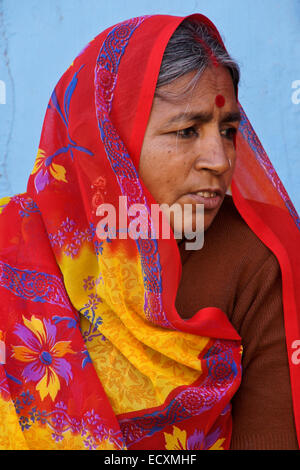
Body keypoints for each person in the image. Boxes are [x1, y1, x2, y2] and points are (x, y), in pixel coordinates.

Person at [0, 13, 299, 451]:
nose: (219, 160)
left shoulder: (256, 260)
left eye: (228, 130)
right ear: (109, 142)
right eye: (187, 131)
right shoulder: (13, 245)